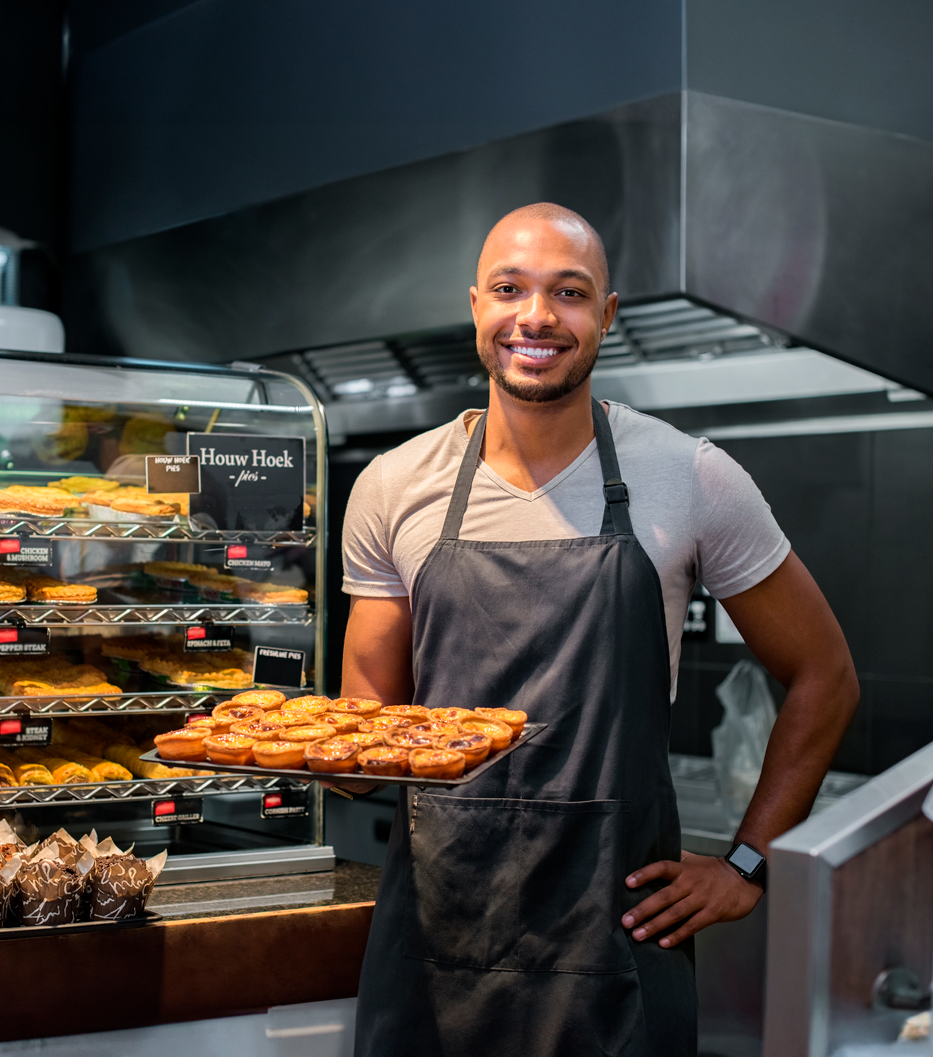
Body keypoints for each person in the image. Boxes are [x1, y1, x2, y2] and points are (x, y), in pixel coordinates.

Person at [345, 203, 860, 1056]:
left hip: (615, 943)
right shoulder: (395, 487)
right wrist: (286, 754)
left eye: (569, 292)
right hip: (435, 944)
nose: (536, 317)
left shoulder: (691, 478)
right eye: (510, 288)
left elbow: (826, 676)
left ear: (608, 314)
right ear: (475, 305)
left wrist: (746, 865)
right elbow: (368, 727)